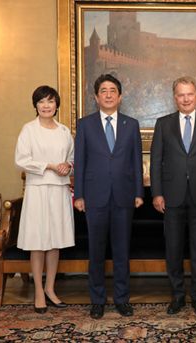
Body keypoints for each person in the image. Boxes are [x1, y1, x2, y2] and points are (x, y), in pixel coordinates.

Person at [150, 76, 196, 316]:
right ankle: (178, 296)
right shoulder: (163, 123)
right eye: (181, 94)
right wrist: (157, 193)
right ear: (175, 98)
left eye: (189, 94)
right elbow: (156, 162)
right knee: (173, 250)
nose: (185, 98)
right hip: (171, 197)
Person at [74, 74, 144, 319]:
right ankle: (97, 300)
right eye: (103, 90)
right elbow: (80, 161)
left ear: (120, 96)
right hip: (94, 197)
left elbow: (136, 160)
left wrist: (138, 192)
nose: (108, 94)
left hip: (124, 197)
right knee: (96, 252)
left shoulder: (131, 124)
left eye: (113, 90)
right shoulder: (85, 125)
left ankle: (122, 299)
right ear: (96, 97)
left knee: (122, 251)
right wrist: (79, 195)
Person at [15, 85, 75, 314]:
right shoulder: (28, 130)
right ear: (36, 105)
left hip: (59, 189)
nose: (46, 105)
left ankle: (50, 288)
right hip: (38, 189)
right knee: (38, 241)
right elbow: (21, 159)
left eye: (50, 101)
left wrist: (67, 165)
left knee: (55, 241)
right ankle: (38, 291)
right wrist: (49, 165)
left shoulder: (64, 131)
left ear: (56, 104)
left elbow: (71, 159)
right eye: (42, 102)